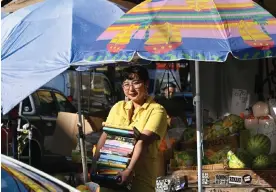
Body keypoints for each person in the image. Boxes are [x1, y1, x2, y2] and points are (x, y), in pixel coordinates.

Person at [91, 66, 168, 192]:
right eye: (126, 84)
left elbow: (142, 143)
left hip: (140, 180)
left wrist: (128, 170)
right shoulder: (118, 107)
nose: (131, 89)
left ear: (146, 84)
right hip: (109, 173)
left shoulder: (157, 110)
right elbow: (104, 137)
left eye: (136, 83)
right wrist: (94, 165)